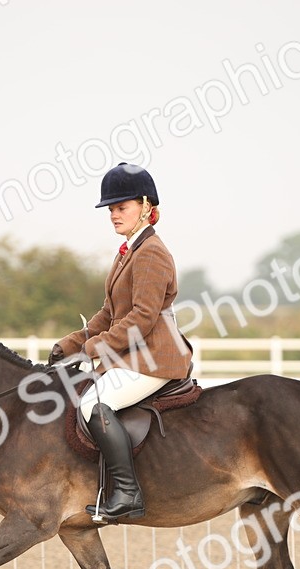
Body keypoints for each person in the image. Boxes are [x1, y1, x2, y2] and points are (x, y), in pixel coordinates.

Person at [49, 163, 193, 522]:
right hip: (134, 355)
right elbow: (109, 313)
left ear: (146, 206)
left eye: (121, 208)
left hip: (156, 357)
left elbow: (142, 318)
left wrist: (94, 348)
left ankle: (127, 493)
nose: (113, 215)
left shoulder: (152, 253)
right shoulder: (128, 251)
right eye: (111, 209)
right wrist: (69, 344)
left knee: (93, 404)